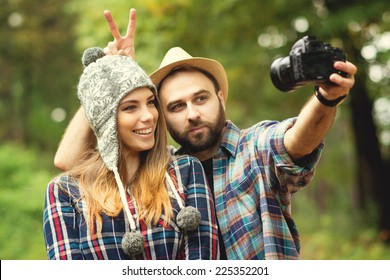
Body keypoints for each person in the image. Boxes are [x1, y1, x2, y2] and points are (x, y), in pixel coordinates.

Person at [54, 9, 357, 259]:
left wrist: (326, 99)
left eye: (201, 99)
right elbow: (70, 162)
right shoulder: (164, 173)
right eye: (176, 106)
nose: (192, 113)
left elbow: (296, 140)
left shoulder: (254, 148)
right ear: (160, 115)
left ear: (220, 98)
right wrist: (108, 78)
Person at [43, 51, 218, 260]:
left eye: (151, 102)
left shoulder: (185, 171)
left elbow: (203, 259)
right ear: (104, 119)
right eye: (130, 107)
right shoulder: (64, 192)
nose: (148, 116)